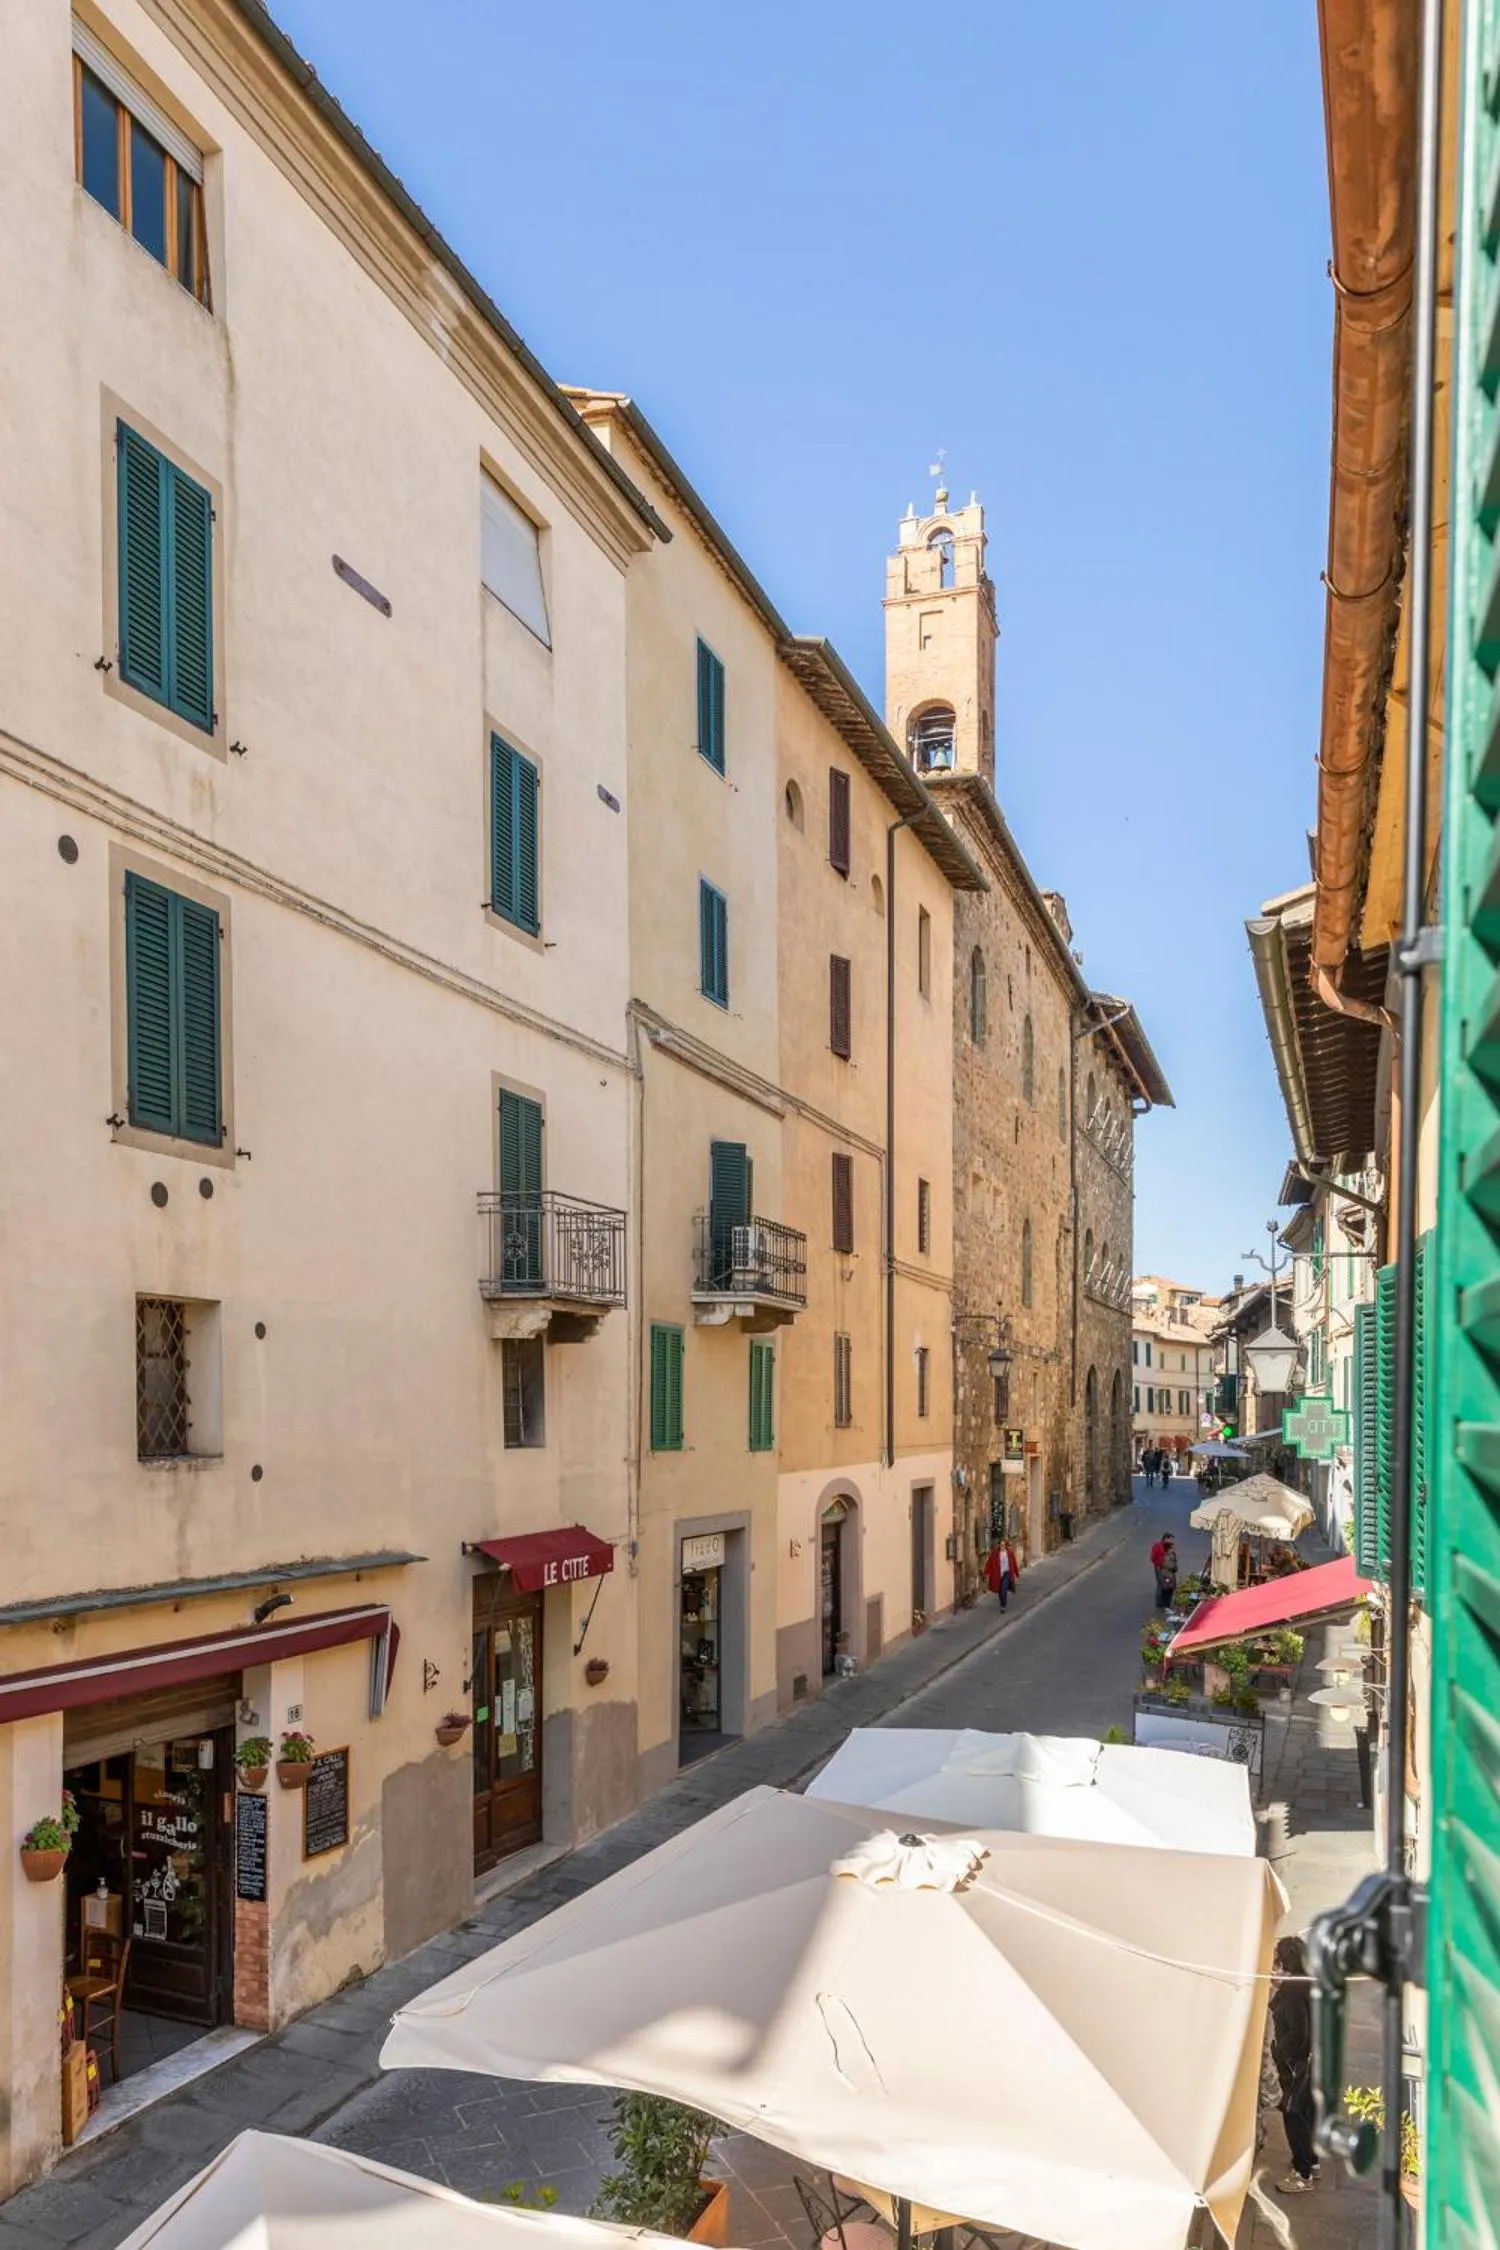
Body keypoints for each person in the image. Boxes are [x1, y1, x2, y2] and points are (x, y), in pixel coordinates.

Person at [1270, 1935, 1318, 2194]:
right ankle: (1312, 2160)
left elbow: (1298, 2032)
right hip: (1313, 2060)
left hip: (1297, 2063)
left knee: (1293, 2114)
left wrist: (1279, 2054)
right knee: (1308, 2111)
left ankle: (1302, 2174)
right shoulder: (1308, 1981)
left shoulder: (1292, 1992)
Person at [984, 1540, 1013, 1611]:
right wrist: (986, 1572)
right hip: (998, 1574)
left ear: (1005, 1545)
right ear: (999, 1545)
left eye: (1003, 1545)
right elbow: (990, 1562)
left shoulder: (1009, 1553)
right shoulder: (996, 1553)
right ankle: (1002, 1602)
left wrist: (1014, 1574)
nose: (1002, 1547)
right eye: (1001, 1545)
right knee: (1000, 1590)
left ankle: (1003, 1606)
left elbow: (1013, 1563)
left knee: (1004, 1589)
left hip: (1006, 1573)